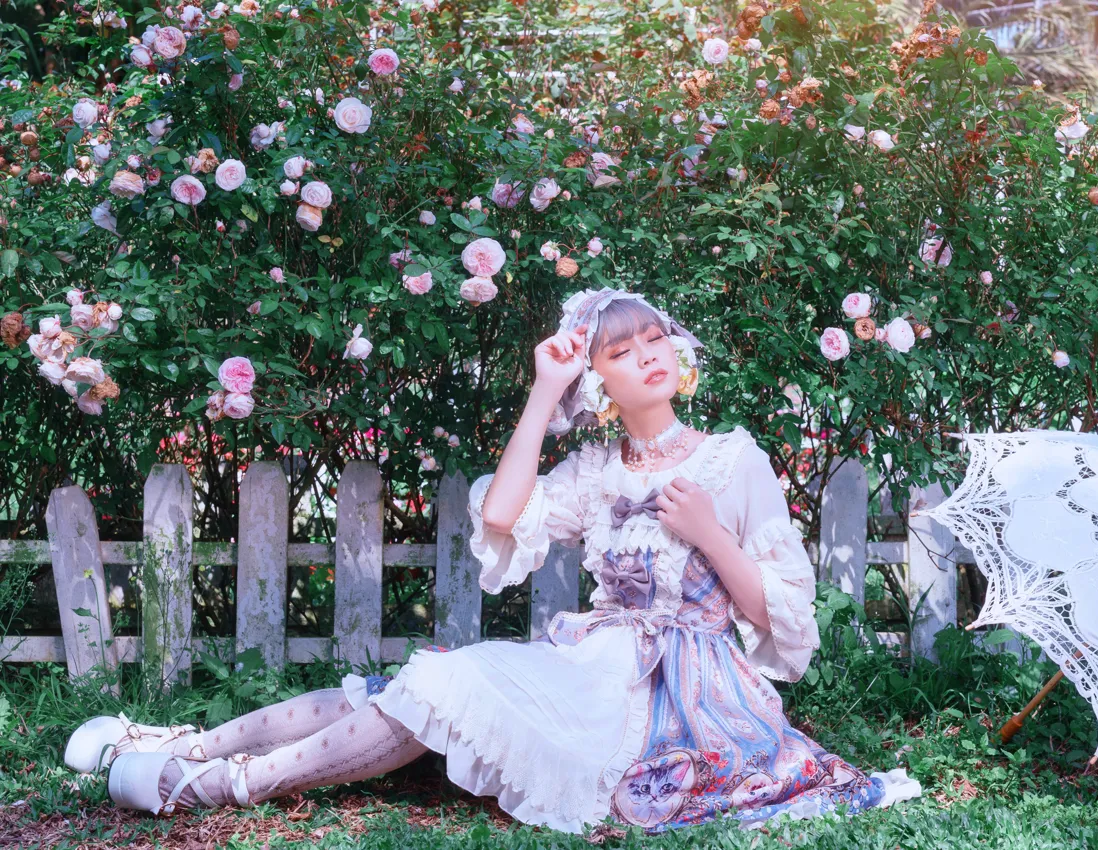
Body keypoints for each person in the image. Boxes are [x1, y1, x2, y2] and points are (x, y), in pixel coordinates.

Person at [65, 286, 920, 833]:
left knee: (441, 685)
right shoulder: (597, 468)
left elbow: (779, 616)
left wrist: (710, 531)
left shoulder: (732, 458)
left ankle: (208, 785)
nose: (648, 354)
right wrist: (544, 391)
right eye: (620, 353)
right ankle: (180, 744)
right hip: (590, 661)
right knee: (400, 690)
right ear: (600, 388)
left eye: (654, 338)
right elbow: (506, 514)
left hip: (677, 693)